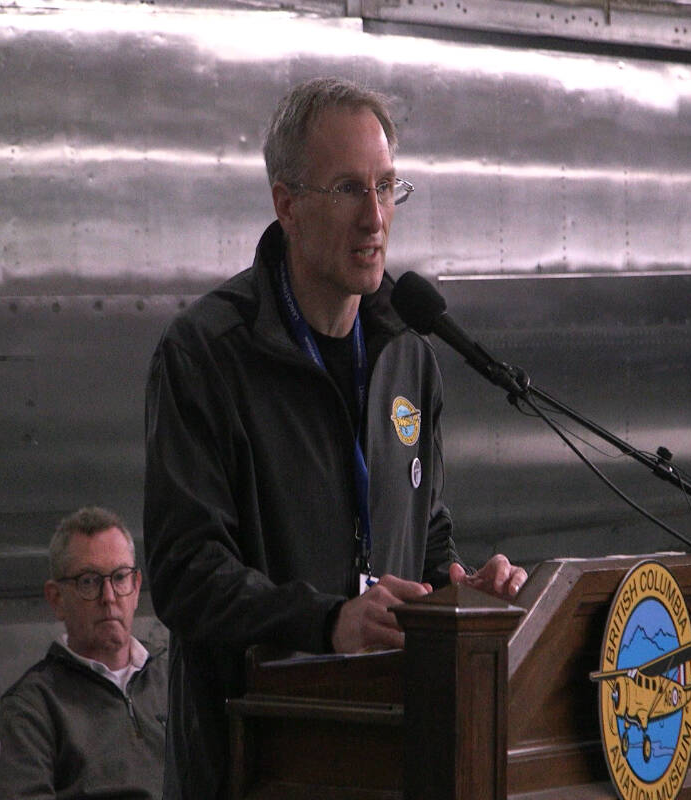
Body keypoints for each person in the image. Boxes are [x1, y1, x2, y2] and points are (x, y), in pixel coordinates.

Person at [143, 76, 527, 800]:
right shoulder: (206, 355)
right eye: (349, 189)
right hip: (252, 765)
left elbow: (422, 532)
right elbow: (184, 573)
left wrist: (460, 590)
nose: (375, 217)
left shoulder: (407, 353)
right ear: (286, 204)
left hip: (387, 758)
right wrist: (328, 622)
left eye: (387, 187)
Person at [0, 507, 168, 800]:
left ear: (136, 588)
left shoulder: (174, 679)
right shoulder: (33, 706)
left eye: (120, 577)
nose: (108, 597)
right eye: (89, 581)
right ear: (56, 599)